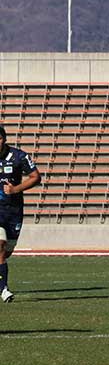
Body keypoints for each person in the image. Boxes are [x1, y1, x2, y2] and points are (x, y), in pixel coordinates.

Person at [0, 126, 42, 303]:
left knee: (6, 252)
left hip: (14, 211)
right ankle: (4, 290)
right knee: (0, 246)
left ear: (4, 139)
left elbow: (35, 177)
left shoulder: (19, 157)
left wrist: (15, 189)